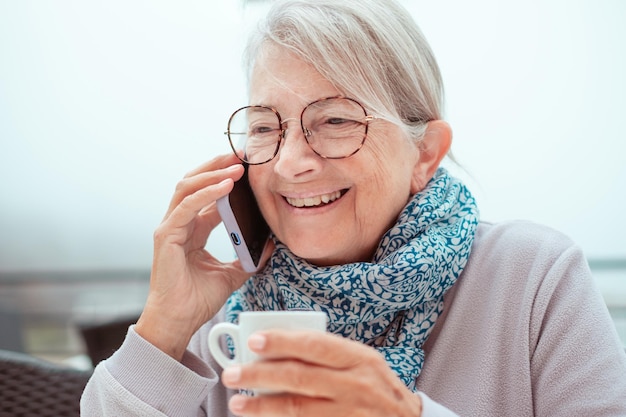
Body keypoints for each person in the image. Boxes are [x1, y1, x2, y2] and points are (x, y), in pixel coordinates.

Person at [81, 0, 626, 415]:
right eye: (267, 127)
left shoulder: (534, 278)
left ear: (425, 153)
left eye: (336, 120)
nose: (291, 162)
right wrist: (163, 329)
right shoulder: (225, 316)